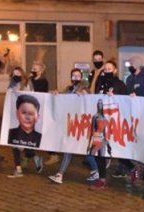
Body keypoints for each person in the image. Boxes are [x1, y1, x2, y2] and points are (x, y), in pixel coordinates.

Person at [48, 69, 100, 184]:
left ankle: (97, 170)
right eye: (73, 76)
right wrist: (57, 94)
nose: (75, 78)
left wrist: (82, 95)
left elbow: (89, 99)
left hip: (82, 125)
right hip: (71, 125)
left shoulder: (84, 88)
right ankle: (60, 174)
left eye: (78, 76)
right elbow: (62, 100)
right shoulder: (68, 89)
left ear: (81, 77)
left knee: (85, 151)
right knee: (69, 149)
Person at [91, 61, 128, 189]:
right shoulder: (100, 83)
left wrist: (114, 97)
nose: (107, 71)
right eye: (105, 69)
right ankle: (102, 178)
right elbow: (94, 96)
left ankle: (134, 167)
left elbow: (125, 102)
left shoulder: (120, 84)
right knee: (98, 150)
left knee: (116, 150)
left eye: (110, 69)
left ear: (115, 70)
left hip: (113, 122)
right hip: (100, 121)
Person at [6, 67, 42, 178]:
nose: (16, 75)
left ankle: (34, 157)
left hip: (26, 116)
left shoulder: (27, 83)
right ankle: (18, 169)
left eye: (18, 73)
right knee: (14, 142)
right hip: (16, 116)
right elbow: (8, 98)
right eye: (14, 73)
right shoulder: (11, 84)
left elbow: (32, 96)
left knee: (24, 142)